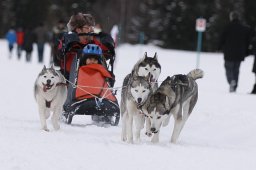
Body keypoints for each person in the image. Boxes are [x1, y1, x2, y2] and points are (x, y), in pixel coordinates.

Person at [56, 12, 115, 82]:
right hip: (70, 82)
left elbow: (106, 55)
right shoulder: (69, 43)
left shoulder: (94, 43)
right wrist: (66, 44)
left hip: (93, 81)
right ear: (78, 30)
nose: (92, 30)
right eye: (88, 28)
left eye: (92, 27)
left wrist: (108, 44)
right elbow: (60, 55)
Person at [219, 11, 251, 92]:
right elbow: (248, 42)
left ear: (231, 17)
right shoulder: (244, 28)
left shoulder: (227, 27)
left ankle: (231, 81)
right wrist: (247, 52)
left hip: (229, 53)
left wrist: (219, 47)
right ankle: (234, 86)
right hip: (240, 54)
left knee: (228, 68)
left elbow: (221, 39)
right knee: (236, 70)